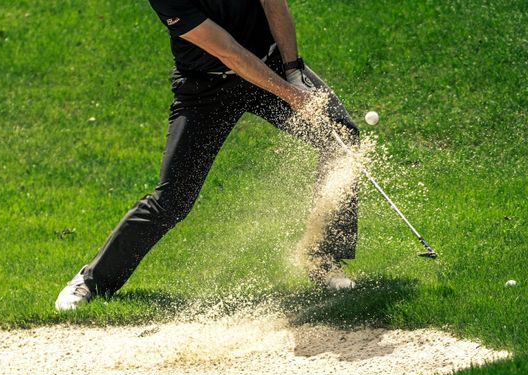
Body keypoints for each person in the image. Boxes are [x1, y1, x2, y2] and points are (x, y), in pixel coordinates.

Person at [56, 0, 359, 311]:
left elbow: (273, 5)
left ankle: (322, 259)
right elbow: (229, 52)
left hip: (270, 66)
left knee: (342, 140)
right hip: (205, 87)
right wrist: (292, 95)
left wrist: (294, 72)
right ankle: (92, 280)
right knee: (173, 200)